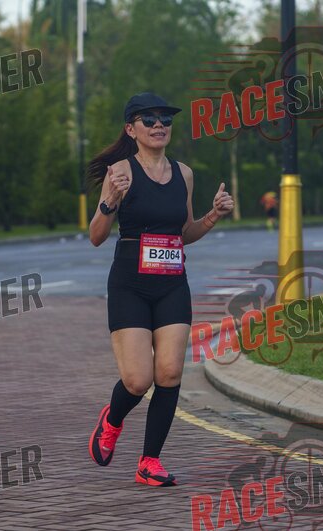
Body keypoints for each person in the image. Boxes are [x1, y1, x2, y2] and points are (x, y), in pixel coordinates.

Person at [87, 92, 234, 486]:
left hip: (172, 285)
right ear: (130, 129)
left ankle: (149, 462)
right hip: (130, 286)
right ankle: (112, 420)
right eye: (148, 119)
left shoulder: (184, 174)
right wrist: (109, 202)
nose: (159, 125)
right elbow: (96, 236)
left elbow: (184, 232)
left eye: (165, 119)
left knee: (168, 373)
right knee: (138, 380)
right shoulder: (120, 172)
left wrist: (214, 215)